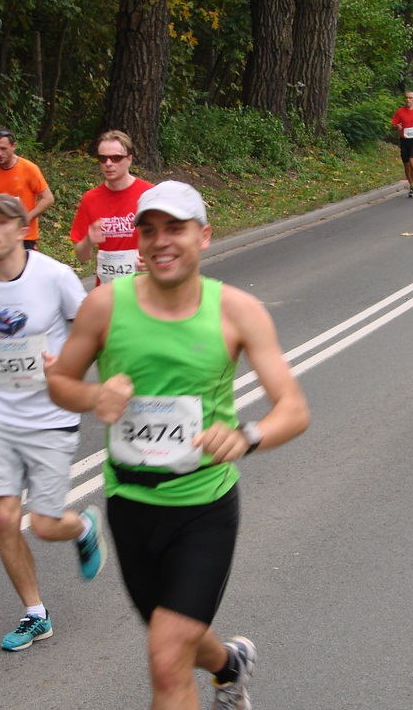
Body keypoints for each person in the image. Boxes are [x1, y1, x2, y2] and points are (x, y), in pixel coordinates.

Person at [47, 181, 310, 710]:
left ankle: (223, 670)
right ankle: (230, 666)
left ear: (204, 236)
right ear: (138, 242)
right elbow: (61, 383)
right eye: (149, 230)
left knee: (166, 657)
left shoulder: (237, 311)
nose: (161, 241)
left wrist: (244, 436)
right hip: (130, 505)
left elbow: (293, 409)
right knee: (177, 643)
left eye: (175, 229)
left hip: (203, 507)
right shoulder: (104, 306)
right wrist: (95, 395)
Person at [0, 193, 107, 651]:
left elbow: (92, 327)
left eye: (0, 221)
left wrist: (65, 362)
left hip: (52, 415)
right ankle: (36, 614)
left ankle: (83, 528)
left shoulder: (54, 276)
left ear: (20, 227)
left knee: (46, 524)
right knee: (6, 518)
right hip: (0, 416)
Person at [70, 130, 154, 286]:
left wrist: (154, 265)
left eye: (116, 158)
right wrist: (88, 240)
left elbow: (169, 243)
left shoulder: (150, 194)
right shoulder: (90, 199)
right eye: (103, 159)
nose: (108, 163)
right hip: (108, 292)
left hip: (145, 289)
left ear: (129, 159)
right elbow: (81, 257)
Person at [0, 128, 55, 250]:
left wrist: (27, 217)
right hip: (1, 237)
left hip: (25, 236)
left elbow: (48, 198)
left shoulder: (29, 168)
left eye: (3, 149)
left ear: (13, 146)